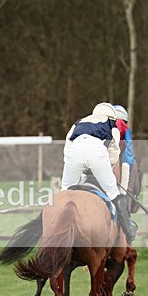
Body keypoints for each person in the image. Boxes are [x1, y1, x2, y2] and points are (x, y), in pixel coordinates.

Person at [61, 102, 136, 242]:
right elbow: (114, 154)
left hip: (73, 153)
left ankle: (56, 226)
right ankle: (128, 229)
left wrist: (77, 167)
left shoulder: (79, 123)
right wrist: (102, 170)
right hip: (97, 153)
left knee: (64, 193)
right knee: (114, 193)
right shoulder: (112, 124)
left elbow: (67, 147)